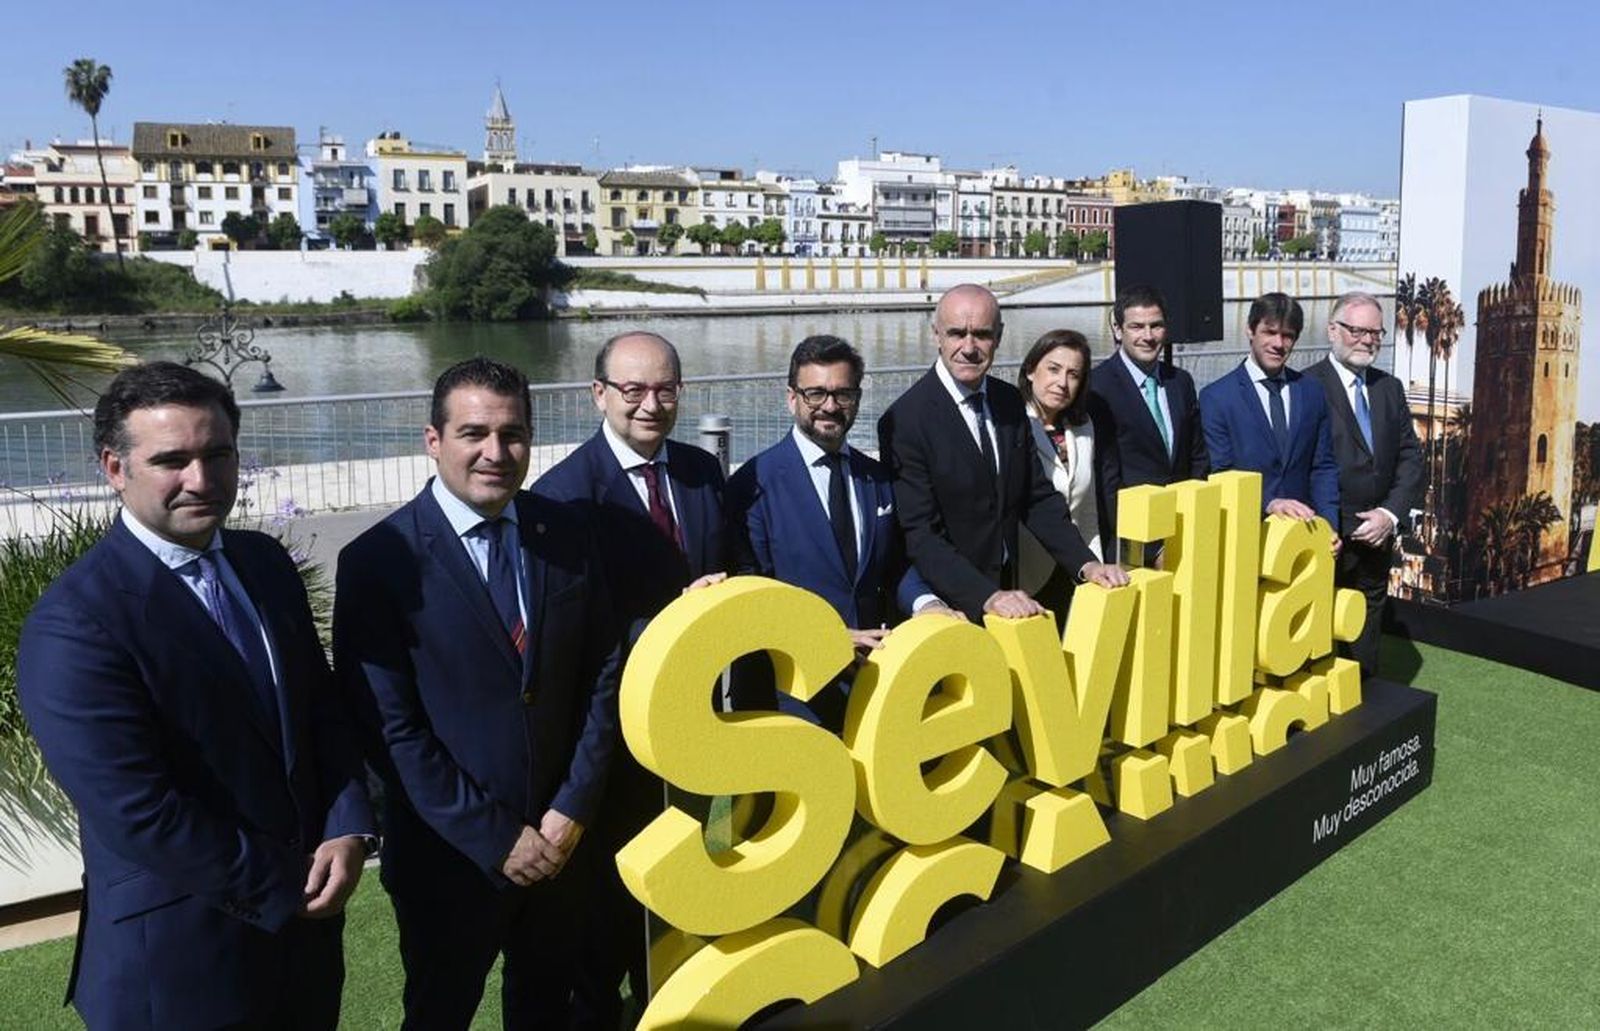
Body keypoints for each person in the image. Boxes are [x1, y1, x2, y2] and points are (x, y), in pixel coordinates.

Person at [18, 361, 374, 1031]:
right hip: (177, 967)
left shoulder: (265, 564)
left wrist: (348, 824)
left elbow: (321, 710)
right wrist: (285, 882)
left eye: (217, 454)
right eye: (172, 459)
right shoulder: (76, 623)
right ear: (115, 467)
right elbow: (138, 810)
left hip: (304, 952)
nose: (201, 480)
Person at [334, 357, 620, 1029]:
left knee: (548, 1008)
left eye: (513, 433)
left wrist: (571, 807)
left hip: (561, 845)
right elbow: (391, 728)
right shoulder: (379, 562)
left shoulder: (569, 536)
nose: (496, 452)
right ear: (434, 439)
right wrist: (497, 837)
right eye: (474, 433)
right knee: (439, 1012)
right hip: (449, 860)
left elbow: (604, 674)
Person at [533, 330, 727, 1026]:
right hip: (609, 747)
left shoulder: (704, 475)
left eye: (666, 388)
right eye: (634, 390)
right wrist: (676, 614)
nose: (651, 404)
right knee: (607, 917)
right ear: (599, 395)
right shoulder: (562, 495)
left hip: (696, 735)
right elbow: (576, 641)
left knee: (682, 901)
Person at [725, 335, 956, 729]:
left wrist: (927, 605)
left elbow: (895, 564)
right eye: (815, 393)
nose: (829, 406)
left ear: (858, 399)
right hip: (791, 695)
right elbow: (752, 590)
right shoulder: (752, 484)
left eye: (842, 394)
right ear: (791, 398)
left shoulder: (877, 477)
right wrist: (827, 637)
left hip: (874, 684)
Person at [878, 284, 1129, 624]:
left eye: (981, 335)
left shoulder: (1009, 401)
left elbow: (1036, 497)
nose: (968, 347)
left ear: (999, 336)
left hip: (1011, 591)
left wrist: (1086, 564)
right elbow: (920, 534)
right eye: (957, 334)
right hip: (952, 606)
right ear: (936, 334)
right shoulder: (905, 420)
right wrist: (987, 596)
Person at [1306, 291, 1423, 675]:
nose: (1367, 340)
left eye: (1375, 332)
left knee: (1367, 621)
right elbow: (1299, 467)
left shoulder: (1389, 388)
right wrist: (1330, 524)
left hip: (1378, 535)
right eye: (1357, 330)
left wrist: (1389, 515)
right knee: (1317, 627)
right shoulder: (1306, 388)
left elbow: (1410, 458)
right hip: (1328, 538)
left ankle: (1365, 696)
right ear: (1332, 330)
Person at [1199, 291, 1340, 549]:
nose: (1278, 343)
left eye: (1287, 336)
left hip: (1305, 538)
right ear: (1250, 331)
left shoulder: (1312, 391)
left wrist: (1329, 524)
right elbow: (1221, 471)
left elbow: (1323, 466)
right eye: (1270, 332)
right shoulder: (1216, 398)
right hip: (1244, 537)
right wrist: (1270, 503)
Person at [1087, 284, 1209, 560]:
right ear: (1118, 330)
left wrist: (1189, 524)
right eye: (1137, 327)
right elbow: (1107, 481)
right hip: (1131, 542)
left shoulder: (1181, 382)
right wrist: (1149, 547)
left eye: (1156, 326)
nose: (1148, 336)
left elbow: (1197, 458)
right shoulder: (1097, 387)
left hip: (1183, 531)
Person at [1016, 329, 1116, 614]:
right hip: (1026, 577)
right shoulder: (1013, 425)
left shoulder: (1083, 427)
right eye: (1053, 369)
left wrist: (1094, 567)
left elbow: (1087, 512)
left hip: (1076, 570)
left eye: (1073, 374)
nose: (1062, 382)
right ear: (1031, 371)